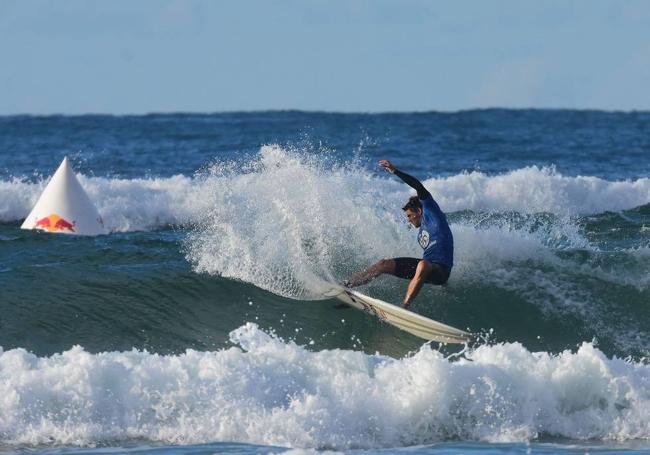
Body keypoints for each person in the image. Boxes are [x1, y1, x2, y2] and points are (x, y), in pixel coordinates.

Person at [345, 160, 454, 309]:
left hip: (440, 270)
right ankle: (347, 284)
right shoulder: (421, 233)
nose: (409, 220)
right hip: (426, 270)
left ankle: (404, 305)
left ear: (419, 211)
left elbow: (417, 185)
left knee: (423, 264)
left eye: (410, 216)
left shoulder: (431, 211)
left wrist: (395, 171)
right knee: (383, 264)